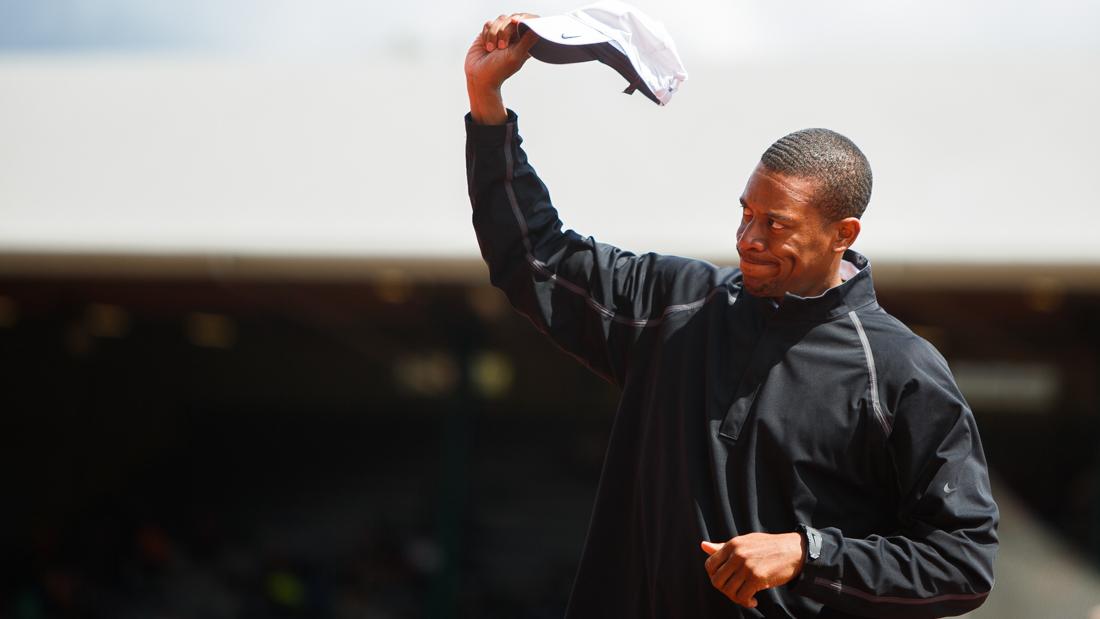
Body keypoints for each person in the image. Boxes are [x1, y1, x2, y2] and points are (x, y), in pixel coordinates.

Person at [464, 13, 998, 619]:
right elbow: (535, 256)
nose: (749, 237)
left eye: (776, 224)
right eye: (746, 213)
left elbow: (963, 563)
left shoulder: (901, 370)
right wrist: (487, 105)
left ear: (842, 234)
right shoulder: (675, 305)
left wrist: (808, 553)